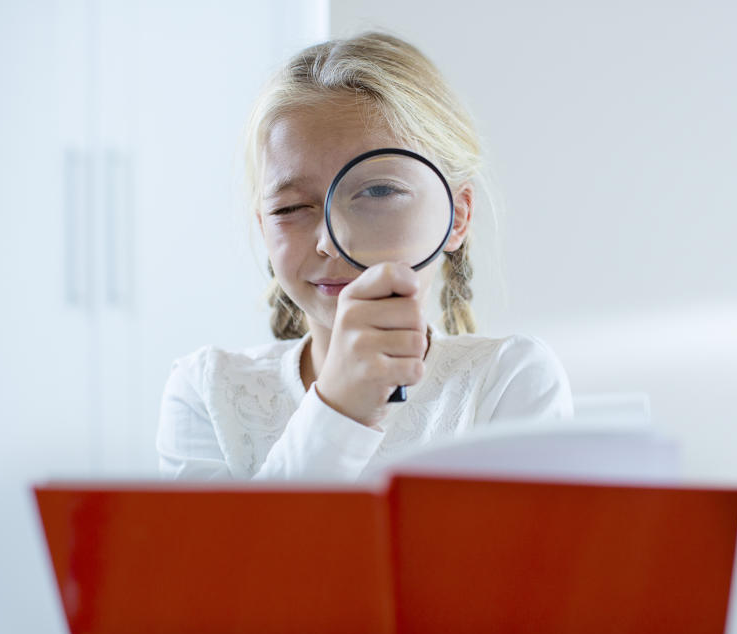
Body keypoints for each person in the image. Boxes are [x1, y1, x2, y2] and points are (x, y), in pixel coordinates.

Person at [156, 32, 572, 481]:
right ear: (264, 226)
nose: (330, 244)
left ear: (457, 217)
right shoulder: (206, 392)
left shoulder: (510, 379)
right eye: (291, 208)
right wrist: (338, 409)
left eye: (378, 191)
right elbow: (223, 556)